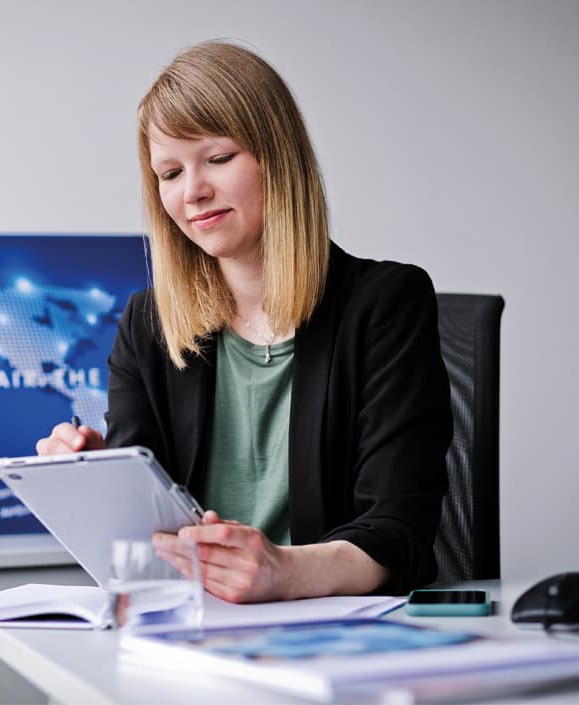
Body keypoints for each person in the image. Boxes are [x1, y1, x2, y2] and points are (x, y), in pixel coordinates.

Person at [36, 40, 452, 603]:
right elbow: (142, 549)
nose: (193, 192)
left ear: (276, 156)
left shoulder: (385, 303)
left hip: (339, 632)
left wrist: (283, 571)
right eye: (170, 172)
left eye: (219, 158)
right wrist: (100, 481)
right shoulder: (147, 323)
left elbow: (398, 531)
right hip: (196, 630)